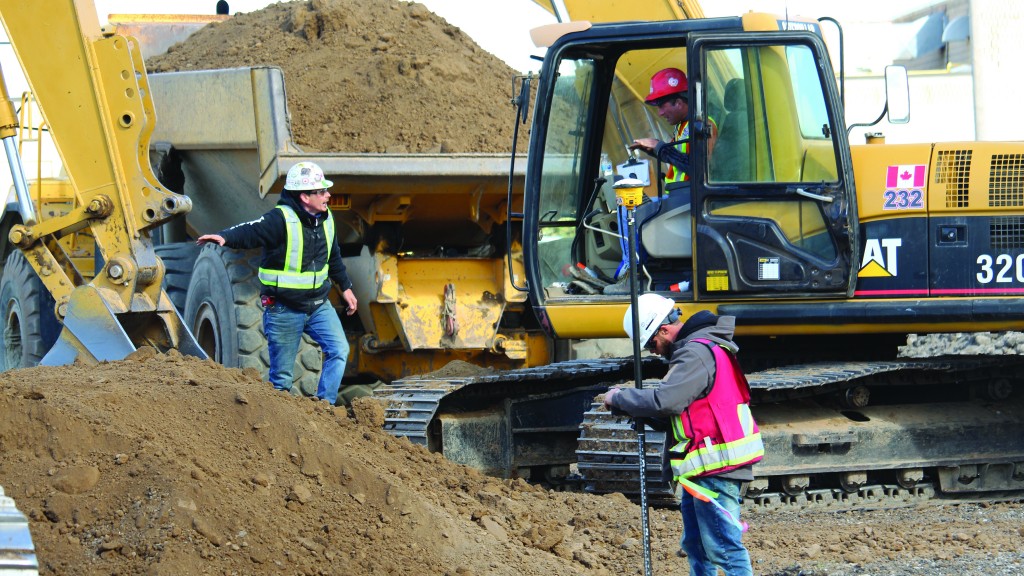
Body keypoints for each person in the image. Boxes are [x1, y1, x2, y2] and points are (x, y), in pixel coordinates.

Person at [604, 294, 762, 576]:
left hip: (716, 468)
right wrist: (635, 411)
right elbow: (681, 416)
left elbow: (667, 401)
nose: (652, 351)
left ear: (664, 330)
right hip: (701, 470)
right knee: (696, 547)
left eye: (651, 343)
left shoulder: (695, 353)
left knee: (723, 548)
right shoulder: (699, 350)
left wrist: (619, 398)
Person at [196, 161, 358, 405]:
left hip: (318, 306)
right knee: (281, 380)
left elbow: (333, 257)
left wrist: (345, 288)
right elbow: (252, 231)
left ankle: (325, 408)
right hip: (284, 308)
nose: (328, 195)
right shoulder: (280, 220)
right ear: (304, 196)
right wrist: (225, 237)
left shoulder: (327, 219)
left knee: (339, 350)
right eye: (321, 191)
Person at [629, 67, 717, 190]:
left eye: (661, 106)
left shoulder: (704, 125)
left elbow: (700, 168)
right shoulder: (682, 126)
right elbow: (677, 158)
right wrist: (654, 150)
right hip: (681, 196)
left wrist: (660, 146)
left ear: (678, 103)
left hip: (690, 197)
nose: (659, 113)